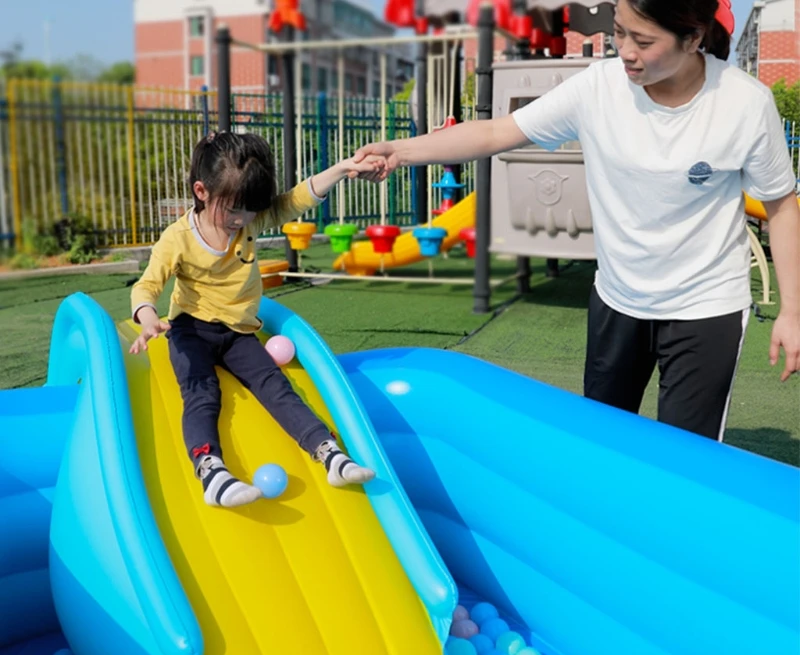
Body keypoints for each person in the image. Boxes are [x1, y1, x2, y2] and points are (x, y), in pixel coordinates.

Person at [354, 0, 800, 441]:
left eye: (643, 41)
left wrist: (793, 311)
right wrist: (401, 151)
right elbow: (497, 131)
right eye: (620, 33)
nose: (626, 50)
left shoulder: (743, 103)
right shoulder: (598, 87)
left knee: (690, 458)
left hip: (707, 306)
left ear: (694, 38)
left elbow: (781, 208)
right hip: (618, 297)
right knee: (601, 439)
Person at [130, 131, 384, 507]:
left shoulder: (248, 218)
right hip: (190, 330)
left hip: (239, 333)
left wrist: (343, 169)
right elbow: (146, 286)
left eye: (250, 211)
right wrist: (148, 316)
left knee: (276, 387)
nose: (243, 219)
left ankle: (329, 453)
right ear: (202, 192)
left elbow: (296, 199)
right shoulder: (177, 238)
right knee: (201, 394)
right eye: (234, 210)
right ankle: (211, 472)